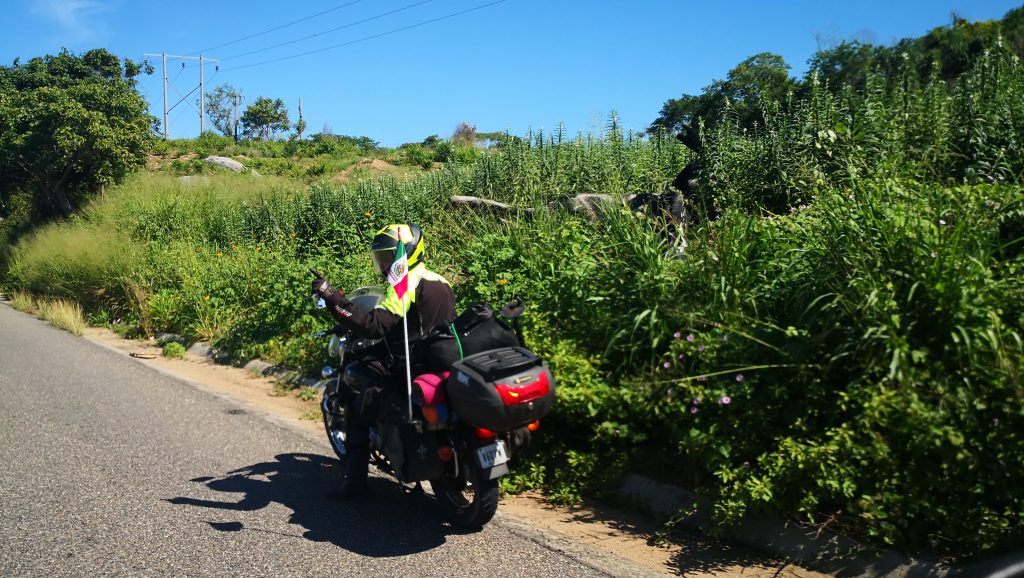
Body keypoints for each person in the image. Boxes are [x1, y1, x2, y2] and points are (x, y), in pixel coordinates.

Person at [311, 223, 456, 500]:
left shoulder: (404, 286)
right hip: (437, 361)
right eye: (383, 257)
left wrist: (332, 298)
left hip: (408, 366)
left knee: (357, 404)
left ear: (409, 253)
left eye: (390, 256)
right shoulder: (441, 281)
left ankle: (355, 484)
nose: (386, 263)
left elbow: (373, 326)